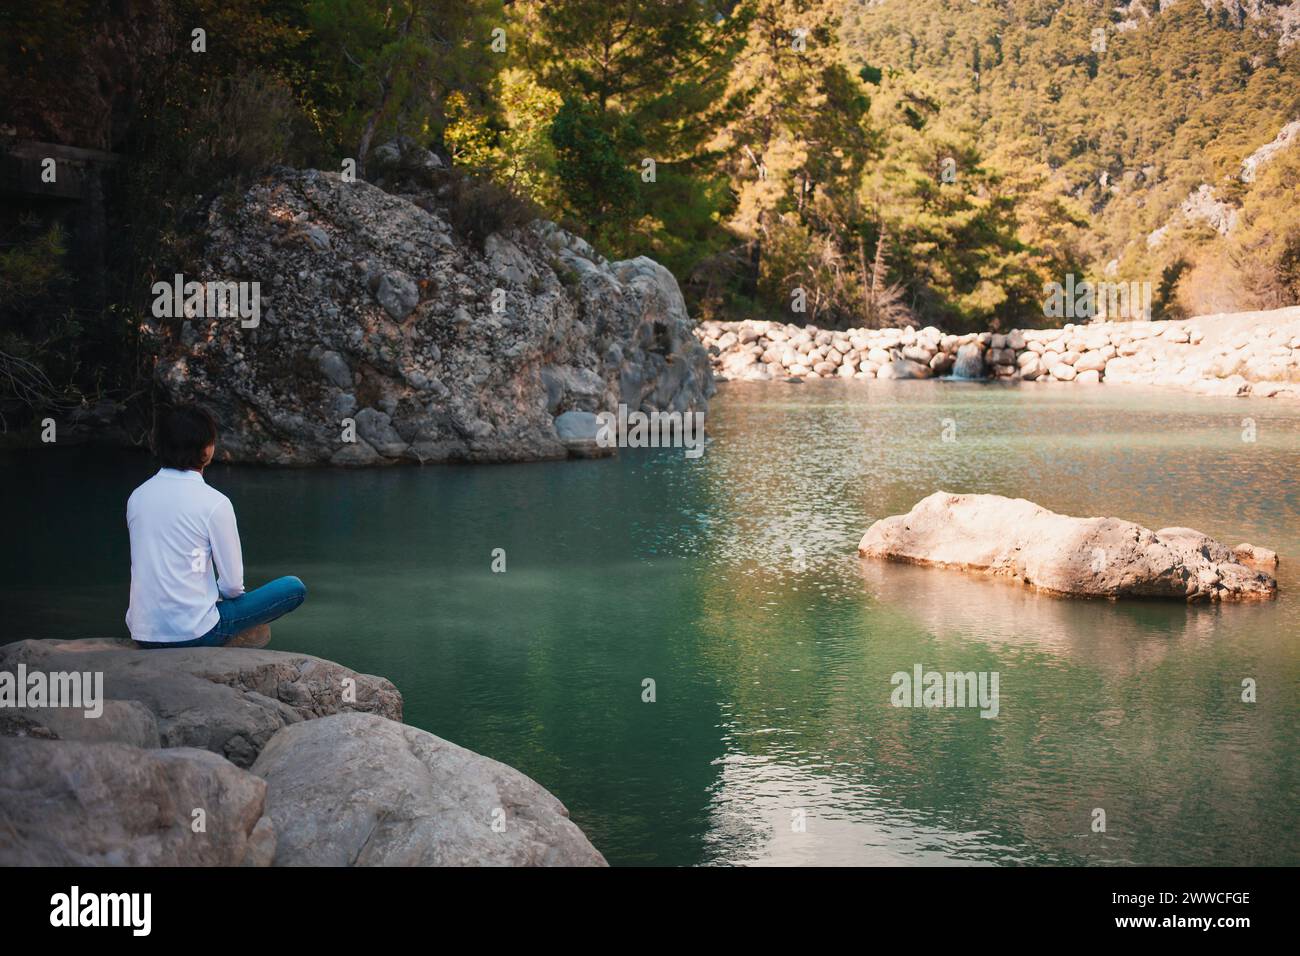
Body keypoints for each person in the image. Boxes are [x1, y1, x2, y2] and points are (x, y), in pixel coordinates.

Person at [127, 403, 305, 648]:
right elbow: (232, 586)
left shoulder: (137, 497)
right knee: (293, 587)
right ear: (207, 449)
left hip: (144, 633)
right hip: (197, 633)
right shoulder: (215, 503)